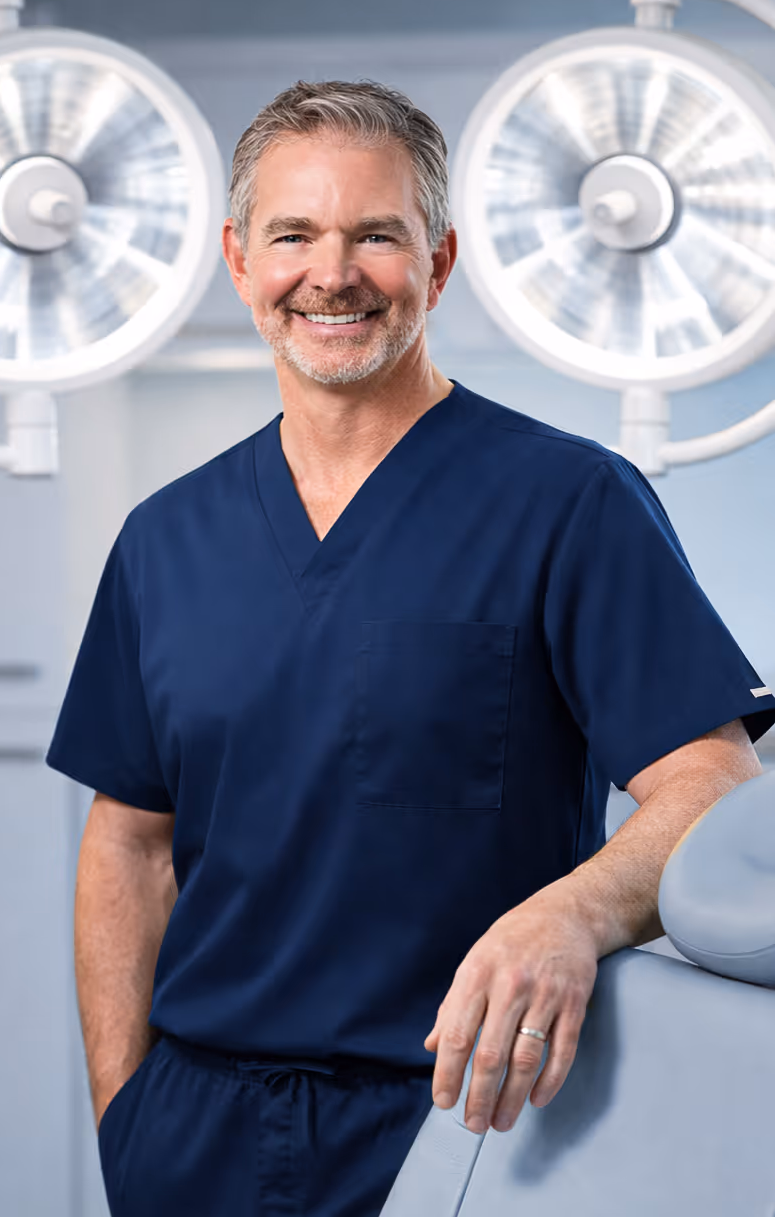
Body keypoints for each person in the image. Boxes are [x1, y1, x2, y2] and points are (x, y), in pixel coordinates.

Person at [46, 79, 775, 1217]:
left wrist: (572, 911)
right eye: (293, 234)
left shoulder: (568, 502)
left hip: (461, 1125)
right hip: (195, 1137)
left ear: (435, 265)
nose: (330, 272)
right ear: (239, 260)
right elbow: (130, 845)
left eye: (375, 235)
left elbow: (710, 781)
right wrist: (123, 1114)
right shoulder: (163, 539)